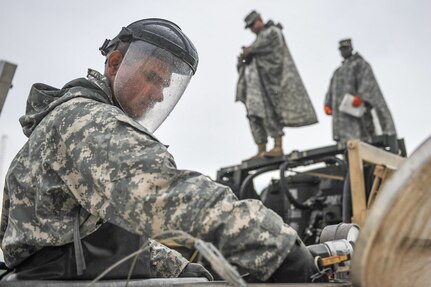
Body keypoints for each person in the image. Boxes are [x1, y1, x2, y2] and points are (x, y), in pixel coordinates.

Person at [0, 18, 320, 283]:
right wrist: (279, 247)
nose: (157, 94)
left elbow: (99, 238)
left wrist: (180, 267)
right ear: (114, 64)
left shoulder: (73, 122)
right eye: (152, 77)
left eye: (165, 86)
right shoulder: (89, 122)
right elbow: (165, 192)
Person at [236, 10, 317, 159]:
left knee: (269, 113)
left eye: (252, 24)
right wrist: (243, 60)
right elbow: (250, 57)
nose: (252, 29)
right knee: (254, 115)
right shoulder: (259, 38)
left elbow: (269, 50)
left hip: (269, 83)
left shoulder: (272, 32)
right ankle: (261, 149)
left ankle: (277, 146)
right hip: (255, 86)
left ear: (259, 20)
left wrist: (250, 51)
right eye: (250, 26)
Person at [324, 38, 397, 144]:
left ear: (351, 48)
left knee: (361, 138)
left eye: (345, 48)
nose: (343, 51)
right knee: (345, 143)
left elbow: (367, 81)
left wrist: (362, 97)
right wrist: (327, 104)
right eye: (341, 49)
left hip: (358, 112)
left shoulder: (360, 64)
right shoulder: (337, 72)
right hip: (341, 117)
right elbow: (330, 90)